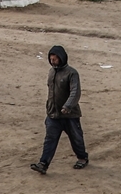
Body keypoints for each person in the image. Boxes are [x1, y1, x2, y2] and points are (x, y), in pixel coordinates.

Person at [31, 45, 88, 174]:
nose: (53, 62)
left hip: (70, 115)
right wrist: (49, 108)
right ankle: (43, 164)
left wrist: (68, 106)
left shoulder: (72, 73)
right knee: (50, 140)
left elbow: (75, 92)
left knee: (76, 138)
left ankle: (82, 158)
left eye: (55, 59)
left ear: (61, 58)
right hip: (53, 114)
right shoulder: (51, 72)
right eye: (51, 59)